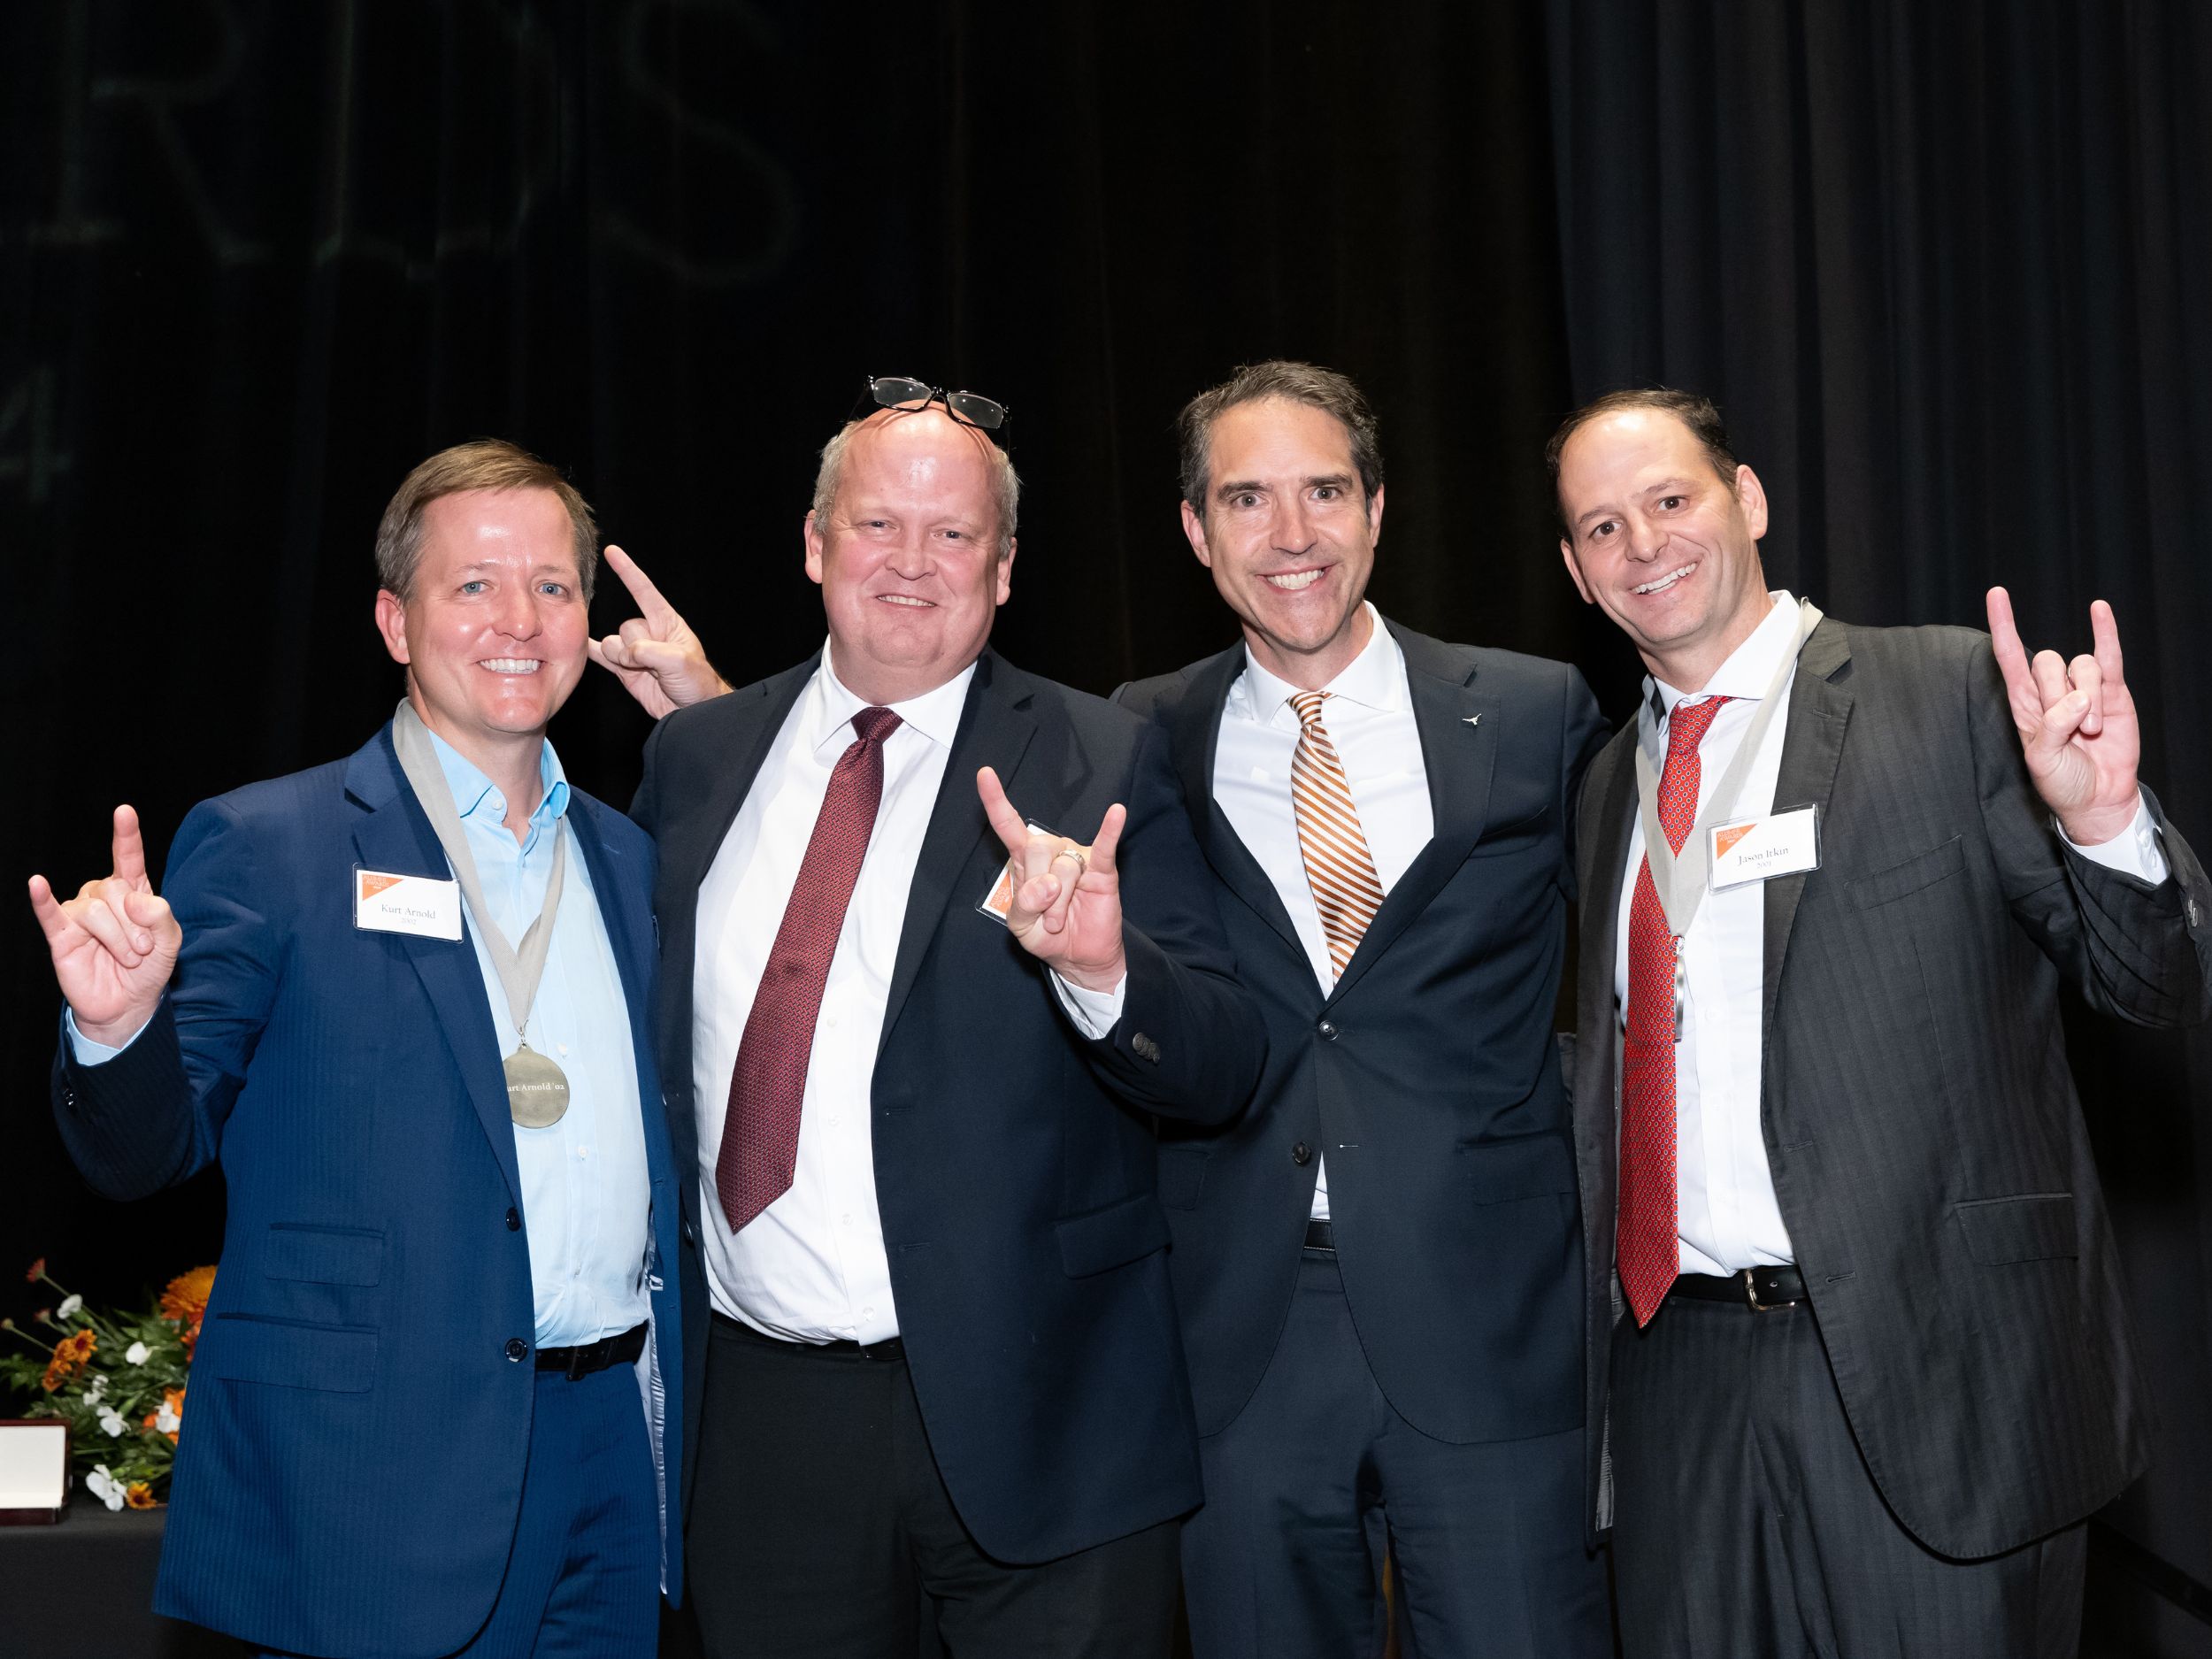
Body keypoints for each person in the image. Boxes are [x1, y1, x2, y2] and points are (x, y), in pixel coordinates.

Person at [1550, 388, 2212, 1657]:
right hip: (1679, 1382)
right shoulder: (1602, 791)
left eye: (1670, 501)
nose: (1643, 544)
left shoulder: (1949, 687)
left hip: (1934, 1377)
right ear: (1577, 576)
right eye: (1601, 527)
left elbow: (2155, 985)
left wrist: (2103, 826)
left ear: (1747, 501)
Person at [619, 383, 1266, 1657]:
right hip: (764, 1426)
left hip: (1049, 1419)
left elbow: (1224, 1064)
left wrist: (1101, 970)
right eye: (877, 525)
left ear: (1007, 571)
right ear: (815, 545)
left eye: (956, 535)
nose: (913, 563)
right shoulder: (699, 760)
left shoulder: (1101, 756)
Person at [28, 441, 687, 1658]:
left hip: (611, 1464)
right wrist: (118, 1028)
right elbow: (146, 1155)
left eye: (552, 586)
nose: (519, 619)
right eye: (474, 584)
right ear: (395, 620)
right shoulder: (270, 845)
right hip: (375, 1479)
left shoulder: (633, 859)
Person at [1113, 361, 1613, 1658]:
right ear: (1195, 531)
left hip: (1492, 1316)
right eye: (1248, 499)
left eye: (1325, 490)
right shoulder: (1137, 735)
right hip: (1242, 1335)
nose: (1292, 536)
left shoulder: (1533, 711)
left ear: (1378, 507)